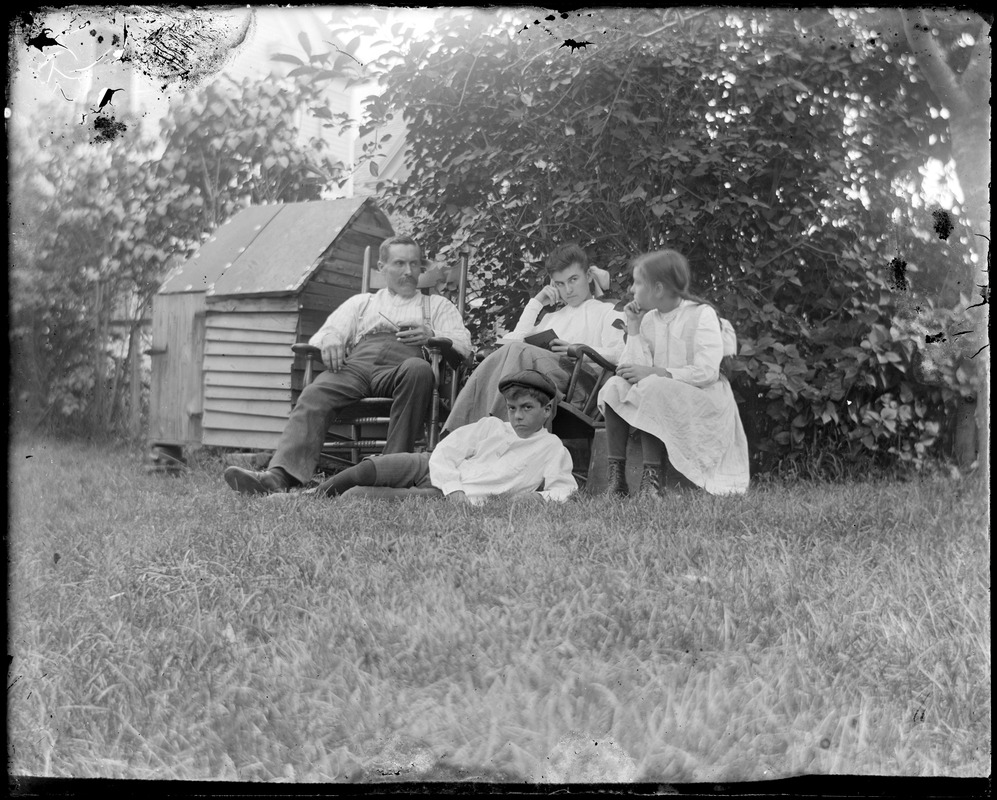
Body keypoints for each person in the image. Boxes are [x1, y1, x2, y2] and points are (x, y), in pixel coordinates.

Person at [224, 234, 473, 495]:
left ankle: (388, 471)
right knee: (315, 392)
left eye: (414, 264)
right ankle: (279, 476)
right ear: (382, 268)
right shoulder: (362, 303)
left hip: (404, 366)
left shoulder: (435, 305)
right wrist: (331, 339)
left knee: (419, 369)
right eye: (399, 264)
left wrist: (431, 334)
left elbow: (464, 346)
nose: (408, 272)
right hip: (356, 365)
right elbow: (327, 333)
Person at [598, 249, 750, 497]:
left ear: (657, 289)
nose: (631, 291)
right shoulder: (648, 320)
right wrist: (634, 328)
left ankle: (652, 480)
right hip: (661, 393)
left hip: (704, 398)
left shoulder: (701, 315)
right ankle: (617, 481)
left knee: (652, 385)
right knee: (615, 386)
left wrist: (656, 373)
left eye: (637, 283)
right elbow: (630, 370)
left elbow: (707, 372)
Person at [311, 370, 577, 505]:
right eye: (512, 408)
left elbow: (565, 489)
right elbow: (448, 449)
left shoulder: (552, 449)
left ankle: (341, 497)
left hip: (453, 496)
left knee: (359, 495)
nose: (517, 416)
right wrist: (454, 485)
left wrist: (539, 498)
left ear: (547, 410)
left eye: (527, 408)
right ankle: (310, 496)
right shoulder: (492, 427)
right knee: (370, 469)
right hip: (435, 467)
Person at [442, 243, 625, 432]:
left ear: (588, 277)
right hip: (539, 382)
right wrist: (536, 303)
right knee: (507, 352)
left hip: (579, 387)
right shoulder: (552, 317)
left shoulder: (608, 310)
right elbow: (512, 342)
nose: (568, 289)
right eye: (560, 284)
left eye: (573, 279)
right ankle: (460, 434)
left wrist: (578, 349)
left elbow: (620, 353)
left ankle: (479, 432)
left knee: (518, 351)